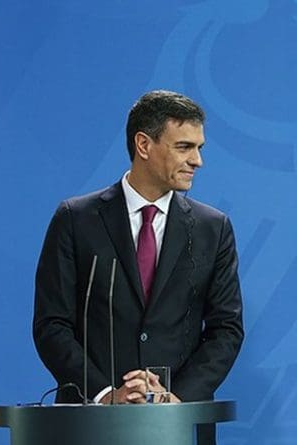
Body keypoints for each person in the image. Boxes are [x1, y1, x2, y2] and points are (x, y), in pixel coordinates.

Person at [33, 90, 244, 443]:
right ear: (143, 145)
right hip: (90, 425)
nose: (197, 161)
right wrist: (105, 394)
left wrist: (178, 398)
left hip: (179, 426)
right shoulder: (75, 219)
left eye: (199, 148)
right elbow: (51, 323)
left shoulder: (214, 228)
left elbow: (226, 329)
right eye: (184, 147)